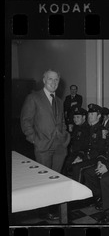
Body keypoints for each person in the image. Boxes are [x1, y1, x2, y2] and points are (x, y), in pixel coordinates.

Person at [20, 69, 71, 220]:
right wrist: (34, 139)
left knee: (55, 179)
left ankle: (53, 209)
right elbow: (25, 121)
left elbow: (61, 122)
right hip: (43, 146)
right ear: (44, 80)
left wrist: (65, 137)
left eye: (56, 80)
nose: (53, 83)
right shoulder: (33, 97)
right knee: (43, 181)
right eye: (50, 79)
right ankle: (43, 212)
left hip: (59, 147)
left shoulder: (60, 101)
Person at [70, 103, 106, 182]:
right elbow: (84, 146)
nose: (90, 116)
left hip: (96, 158)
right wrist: (80, 156)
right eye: (89, 113)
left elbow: (100, 150)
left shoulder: (102, 130)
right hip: (87, 156)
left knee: (78, 168)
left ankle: (79, 192)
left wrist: (84, 158)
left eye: (92, 114)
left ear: (99, 116)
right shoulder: (88, 128)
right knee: (73, 164)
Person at [61, 107, 89, 176]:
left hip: (79, 155)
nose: (75, 119)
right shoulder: (76, 127)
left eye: (78, 117)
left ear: (84, 117)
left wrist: (79, 156)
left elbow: (85, 146)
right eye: (74, 117)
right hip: (72, 153)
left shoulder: (87, 129)